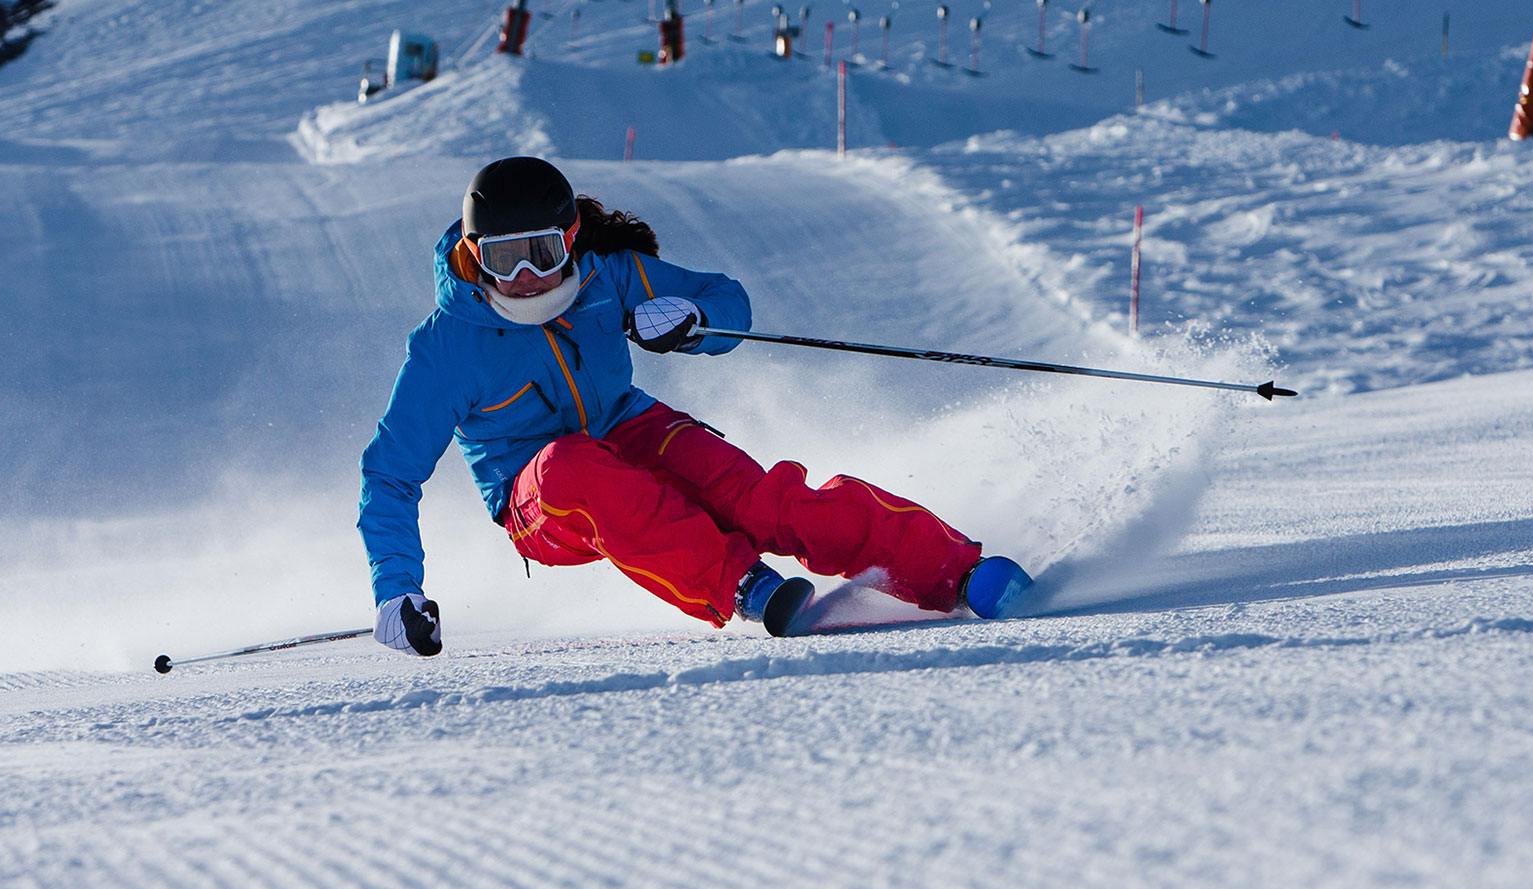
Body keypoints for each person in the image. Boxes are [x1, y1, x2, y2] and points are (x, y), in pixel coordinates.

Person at [357, 157, 1031, 656]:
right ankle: (743, 586)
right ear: (475, 256)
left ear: (570, 238)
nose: (526, 278)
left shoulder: (605, 276)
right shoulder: (445, 347)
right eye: (504, 260)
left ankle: (954, 570)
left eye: (542, 252)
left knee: (762, 502)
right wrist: (397, 592)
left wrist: (696, 318)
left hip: (629, 426)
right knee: (573, 465)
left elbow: (727, 300)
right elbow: (391, 473)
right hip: (538, 496)